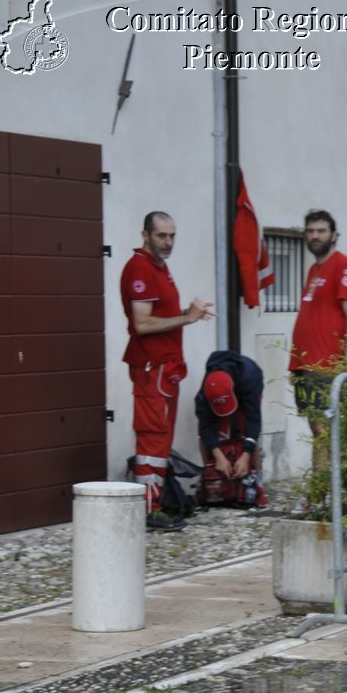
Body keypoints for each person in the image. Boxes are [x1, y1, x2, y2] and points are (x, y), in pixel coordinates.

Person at [119, 211, 214, 532]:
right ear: (145, 235)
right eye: (162, 236)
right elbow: (142, 323)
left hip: (165, 370)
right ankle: (148, 508)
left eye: (172, 236)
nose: (168, 242)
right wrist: (187, 316)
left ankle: (155, 504)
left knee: (159, 441)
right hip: (152, 369)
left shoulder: (159, 267)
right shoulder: (140, 269)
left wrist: (187, 314)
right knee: (152, 438)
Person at [289, 209, 347, 480]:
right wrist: (296, 365)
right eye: (310, 231)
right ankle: (321, 491)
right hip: (307, 367)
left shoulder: (343, 266)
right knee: (316, 429)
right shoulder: (314, 269)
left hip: (327, 366)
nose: (315, 236)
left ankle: (326, 492)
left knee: (325, 431)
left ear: (333, 235)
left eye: (321, 231)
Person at [194, 350, 267, 507]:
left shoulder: (250, 377)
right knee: (207, 434)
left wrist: (246, 455)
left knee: (246, 429)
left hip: (248, 385)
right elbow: (205, 425)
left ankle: (258, 486)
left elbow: (253, 421)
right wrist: (218, 456)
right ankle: (211, 477)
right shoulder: (204, 394)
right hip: (222, 391)